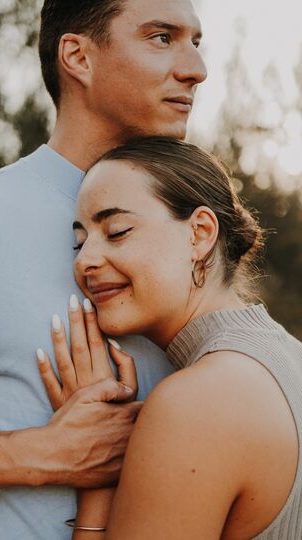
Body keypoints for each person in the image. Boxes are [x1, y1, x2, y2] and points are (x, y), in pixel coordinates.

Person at [0, 0, 206, 538]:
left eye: (196, 43)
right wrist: (42, 453)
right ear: (77, 57)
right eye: (162, 37)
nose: (196, 69)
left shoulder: (191, 226)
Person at [40, 136, 302, 539]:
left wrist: (95, 481)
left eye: (117, 231)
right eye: (79, 241)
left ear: (199, 233)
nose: (84, 260)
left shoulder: (197, 402)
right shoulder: (288, 359)